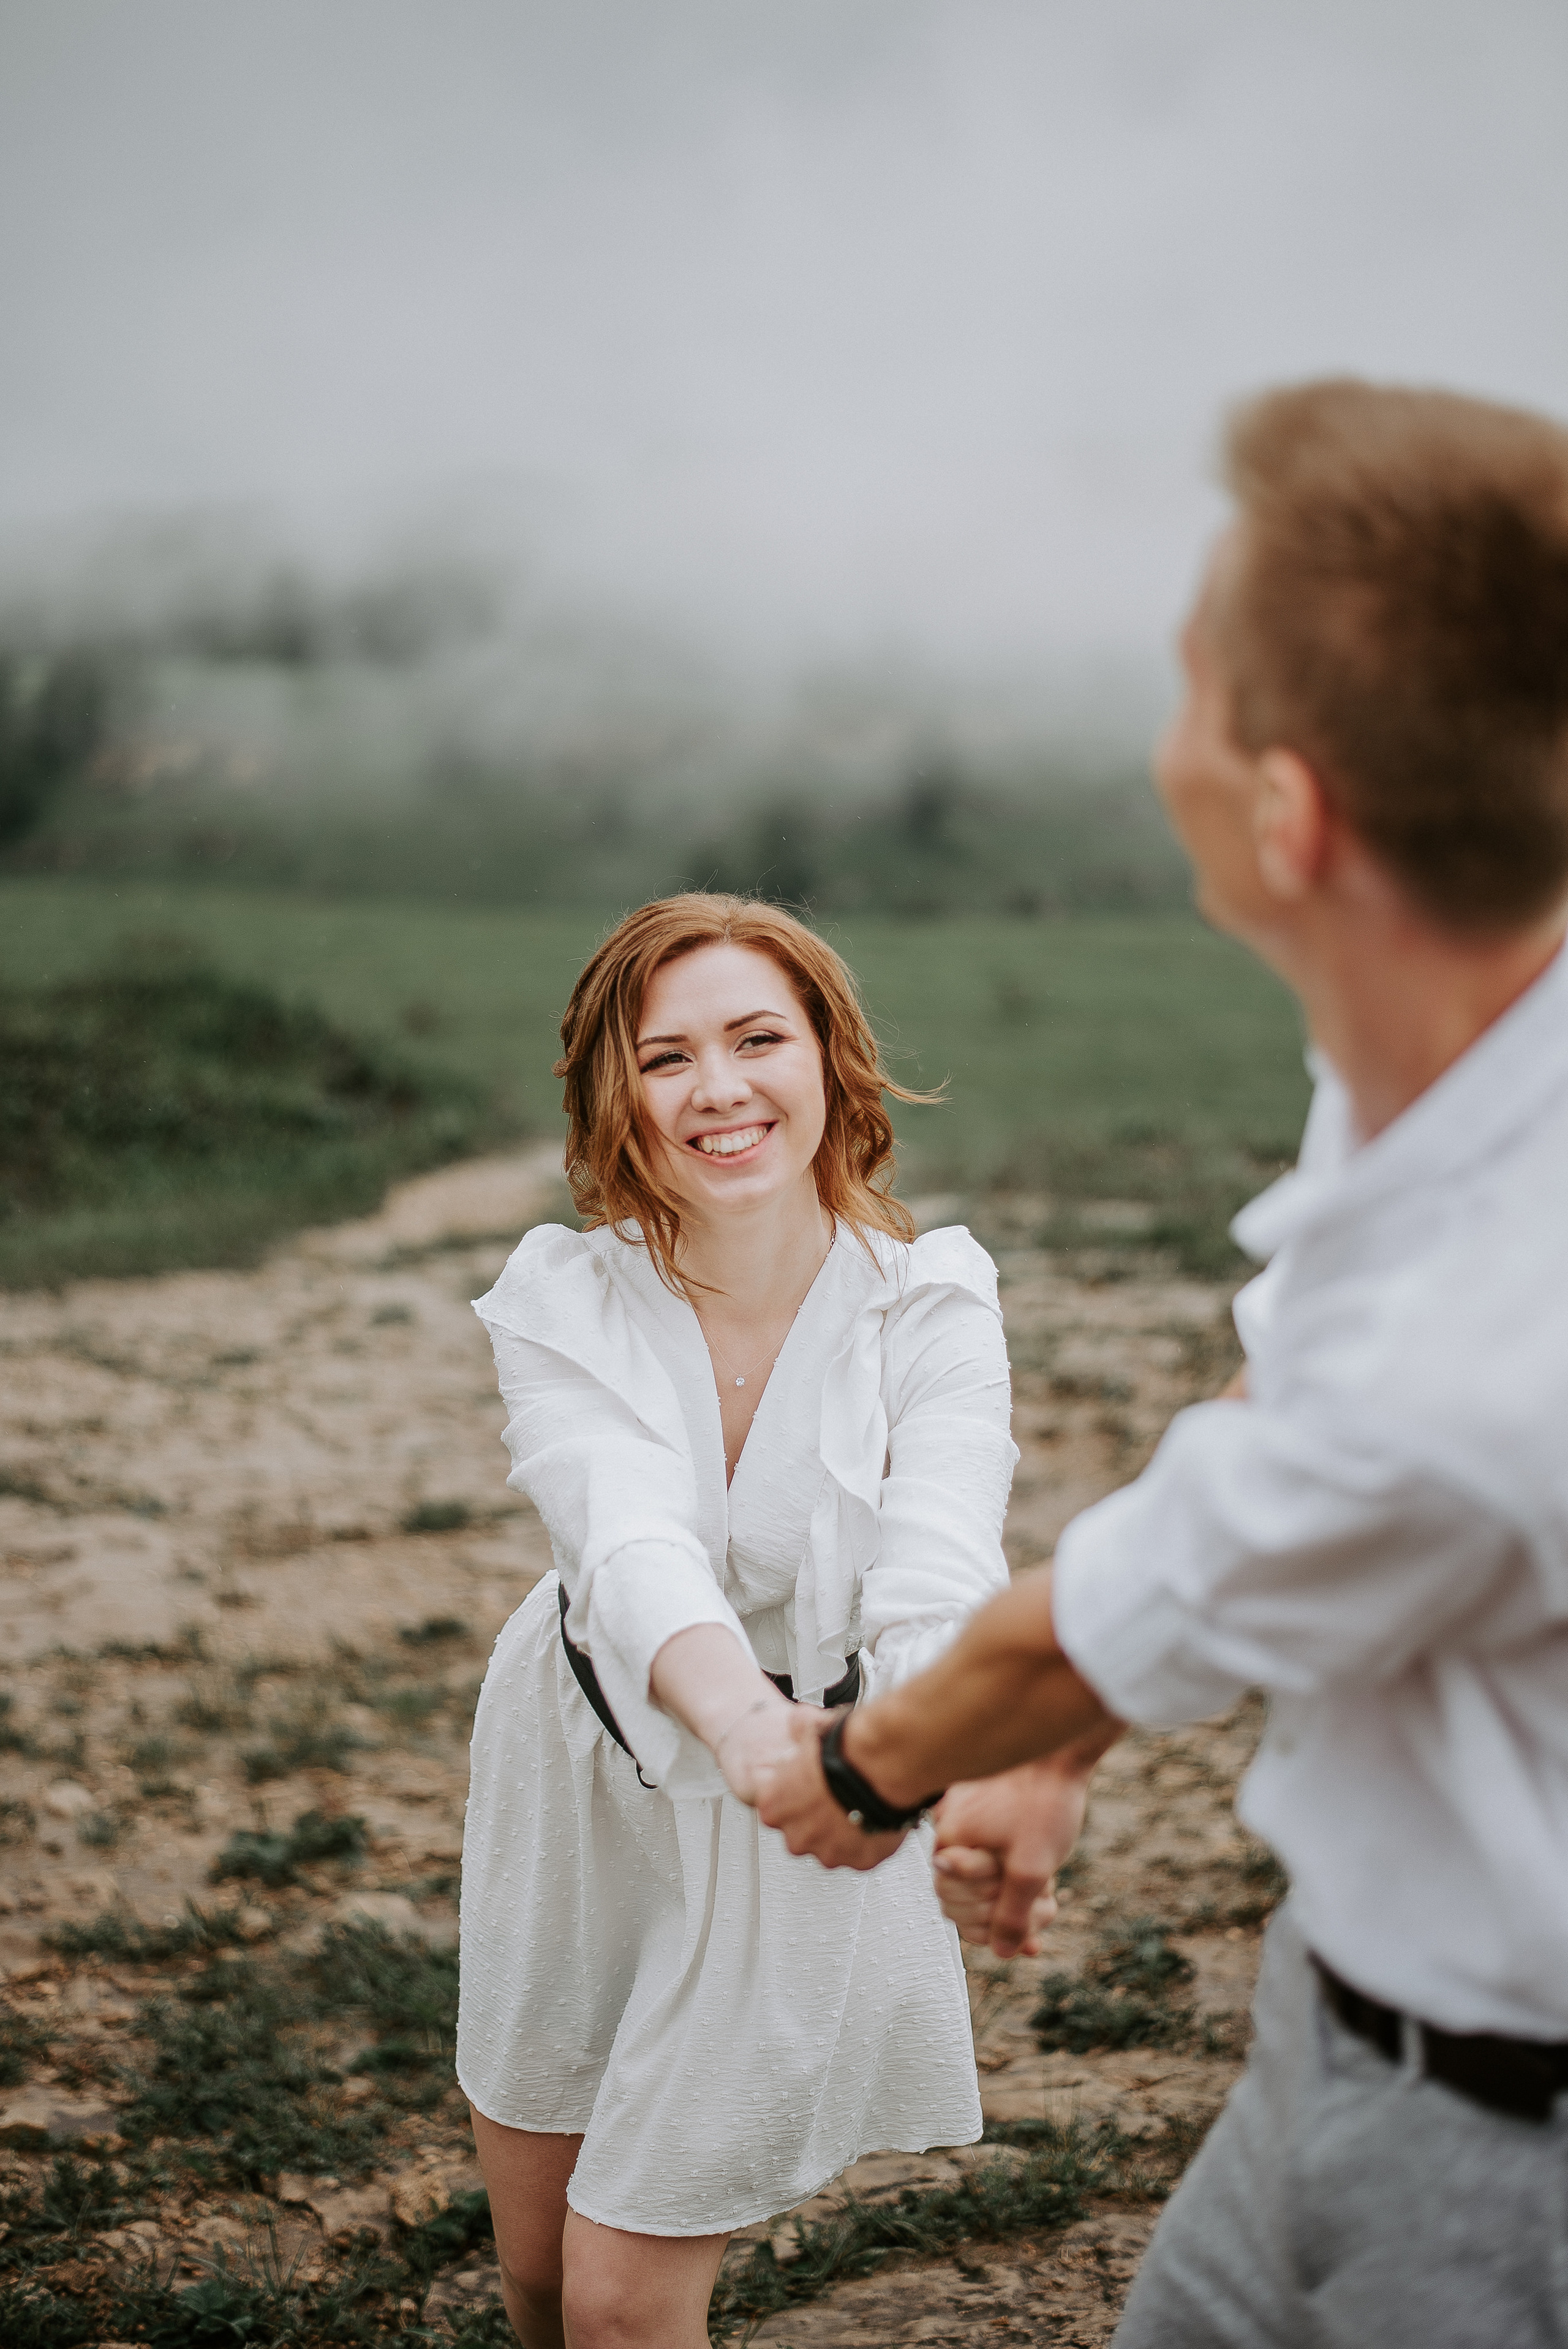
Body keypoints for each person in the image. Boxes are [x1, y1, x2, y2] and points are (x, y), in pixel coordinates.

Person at [755, 379, 1568, 2346]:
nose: (1157, 740)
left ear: (1286, 813)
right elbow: (1276, 1405)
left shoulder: (1489, 1349)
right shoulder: (1461, 1041)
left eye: (1191, 686)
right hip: (1333, 2021)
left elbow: (1082, 1619)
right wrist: (1052, 1758)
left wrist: (865, 1766)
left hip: (1496, 2165)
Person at [456, 893, 1031, 2349]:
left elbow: (935, 1575)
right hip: (583, 1756)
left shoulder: (933, 1306)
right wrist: (743, 1724)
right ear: (616, 1095)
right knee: (533, 2257)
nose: (717, 1088)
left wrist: (907, 1758)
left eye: (757, 1038)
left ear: (832, 1061)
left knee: (621, 2295)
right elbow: (626, 1544)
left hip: (805, 1801)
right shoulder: (558, 1299)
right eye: (665, 1058)